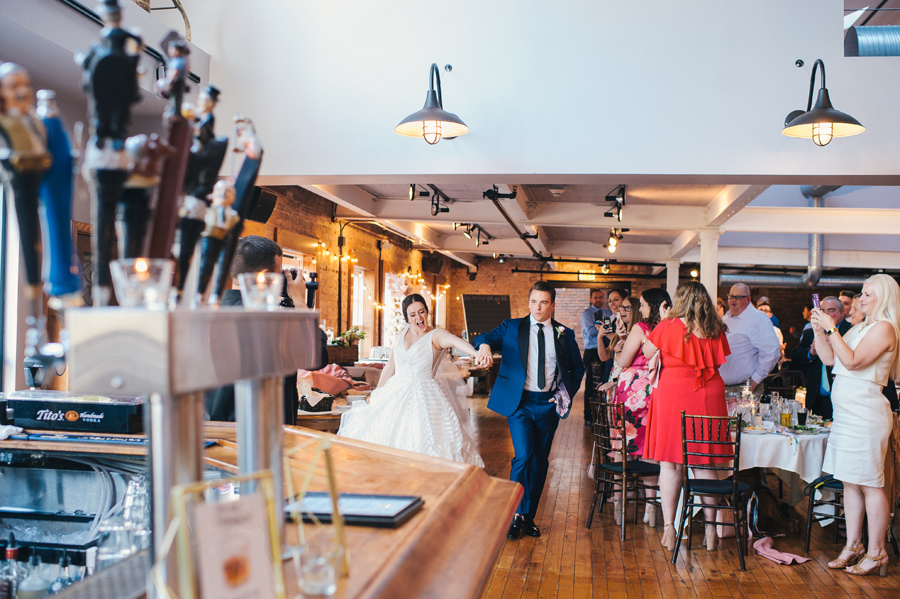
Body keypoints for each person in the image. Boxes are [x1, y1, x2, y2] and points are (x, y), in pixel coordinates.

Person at [474, 281, 585, 540]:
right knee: (523, 457)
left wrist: (562, 395)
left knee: (540, 462)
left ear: (552, 305)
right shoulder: (513, 327)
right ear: (528, 303)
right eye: (534, 301)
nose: (538, 307)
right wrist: (485, 346)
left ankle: (528, 516)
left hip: (547, 405)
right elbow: (483, 337)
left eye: (544, 302)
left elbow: (577, 369)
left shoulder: (563, 334)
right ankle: (514, 515)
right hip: (520, 404)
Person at [811, 274, 900, 577]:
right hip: (847, 416)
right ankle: (853, 545)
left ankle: (877, 552)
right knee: (850, 481)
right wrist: (819, 331)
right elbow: (830, 359)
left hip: (867, 415)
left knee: (871, 483)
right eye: (861, 293)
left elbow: (851, 362)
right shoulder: (859, 327)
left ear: (884, 298)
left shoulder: (885, 329)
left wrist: (832, 327)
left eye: (867, 294)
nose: (861, 299)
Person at [338, 293, 485, 467]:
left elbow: (455, 341)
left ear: (427, 312)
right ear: (407, 318)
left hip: (425, 397)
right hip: (395, 392)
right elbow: (390, 367)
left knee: (424, 442)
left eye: (422, 312)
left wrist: (476, 353)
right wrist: (376, 395)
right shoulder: (402, 333)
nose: (419, 317)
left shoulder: (436, 335)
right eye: (413, 314)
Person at [642, 280, 731, 552]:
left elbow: (647, 351)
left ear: (679, 300)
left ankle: (670, 527)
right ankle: (711, 529)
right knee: (705, 462)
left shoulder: (667, 326)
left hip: (673, 394)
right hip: (708, 395)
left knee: (670, 463)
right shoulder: (714, 328)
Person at [205, 235, 320, 424]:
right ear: (265, 277)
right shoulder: (273, 324)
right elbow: (316, 357)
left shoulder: (206, 319)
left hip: (216, 434)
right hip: (266, 434)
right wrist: (300, 301)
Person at [608, 289, 671, 527]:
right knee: (650, 452)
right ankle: (651, 508)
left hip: (632, 391)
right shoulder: (668, 327)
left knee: (621, 449)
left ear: (652, 306)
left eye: (643, 304)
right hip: (656, 390)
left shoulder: (641, 328)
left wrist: (619, 348)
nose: (640, 309)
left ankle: (619, 503)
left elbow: (624, 361)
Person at [791, 297, 851, 419]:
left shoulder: (850, 331)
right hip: (816, 397)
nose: (826, 315)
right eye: (823, 311)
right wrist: (811, 353)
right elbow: (796, 357)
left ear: (842, 312)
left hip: (843, 397)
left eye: (831, 310)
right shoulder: (810, 332)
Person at [718, 283, 780, 391]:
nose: (733, 300)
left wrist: (754, 381)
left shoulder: (757, 318)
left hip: (744, 388)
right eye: (731, 297)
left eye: (738, 297)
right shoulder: (726, 318)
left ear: (748, 299)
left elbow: (772, 351)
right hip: (723, 387)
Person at [580, 289, 611, 425]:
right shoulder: (586, 314)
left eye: (600, 297)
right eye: (595, 298)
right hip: (592, 351)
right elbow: (591, 331)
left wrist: (601, 327)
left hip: (606, 350)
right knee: (591, 384)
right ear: (591, 299)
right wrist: (605, 328)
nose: (598, 300)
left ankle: (602, 416)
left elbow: (610, 329)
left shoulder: (608, 313)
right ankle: (588, 417)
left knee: (605, 382)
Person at [756, 301, 786, 368]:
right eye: (760, 310)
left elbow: (781, 356)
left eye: (766, 311)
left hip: (771, 368)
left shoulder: (776, 331)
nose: (763, 313)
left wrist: (779, 351)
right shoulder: (750, 330)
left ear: (770, 314)